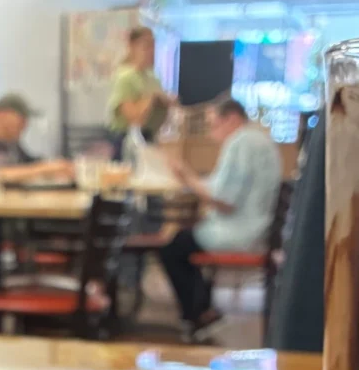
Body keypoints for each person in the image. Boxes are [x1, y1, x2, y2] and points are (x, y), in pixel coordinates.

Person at [158, 98, 282, 340]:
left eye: (214, 125)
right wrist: (191, 179)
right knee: (182, 240)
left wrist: (187, 179)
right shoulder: (257, 140)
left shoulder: (241, 143)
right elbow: (219, 188)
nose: (211, 132)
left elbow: (225, 201)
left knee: (173, 248)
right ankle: (203, 309)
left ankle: (199, 314)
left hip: (239, 230)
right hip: (255, 227)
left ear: (232, 119)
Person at [0, 93, 74, 185]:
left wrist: (56, 165)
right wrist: (45, 169)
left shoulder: (12, 144)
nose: (25, 124)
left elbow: (30, 163)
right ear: (1, 115)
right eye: (21, 118)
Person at [107, 27, 171, 159]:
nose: (151, 51)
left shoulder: (151, 77)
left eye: (153, 46)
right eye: (146, 46)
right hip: (128, 141)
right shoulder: (126, 77)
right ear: (132, 46)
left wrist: (166, 102)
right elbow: (134, 118)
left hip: (150, 137)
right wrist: (152, 98)